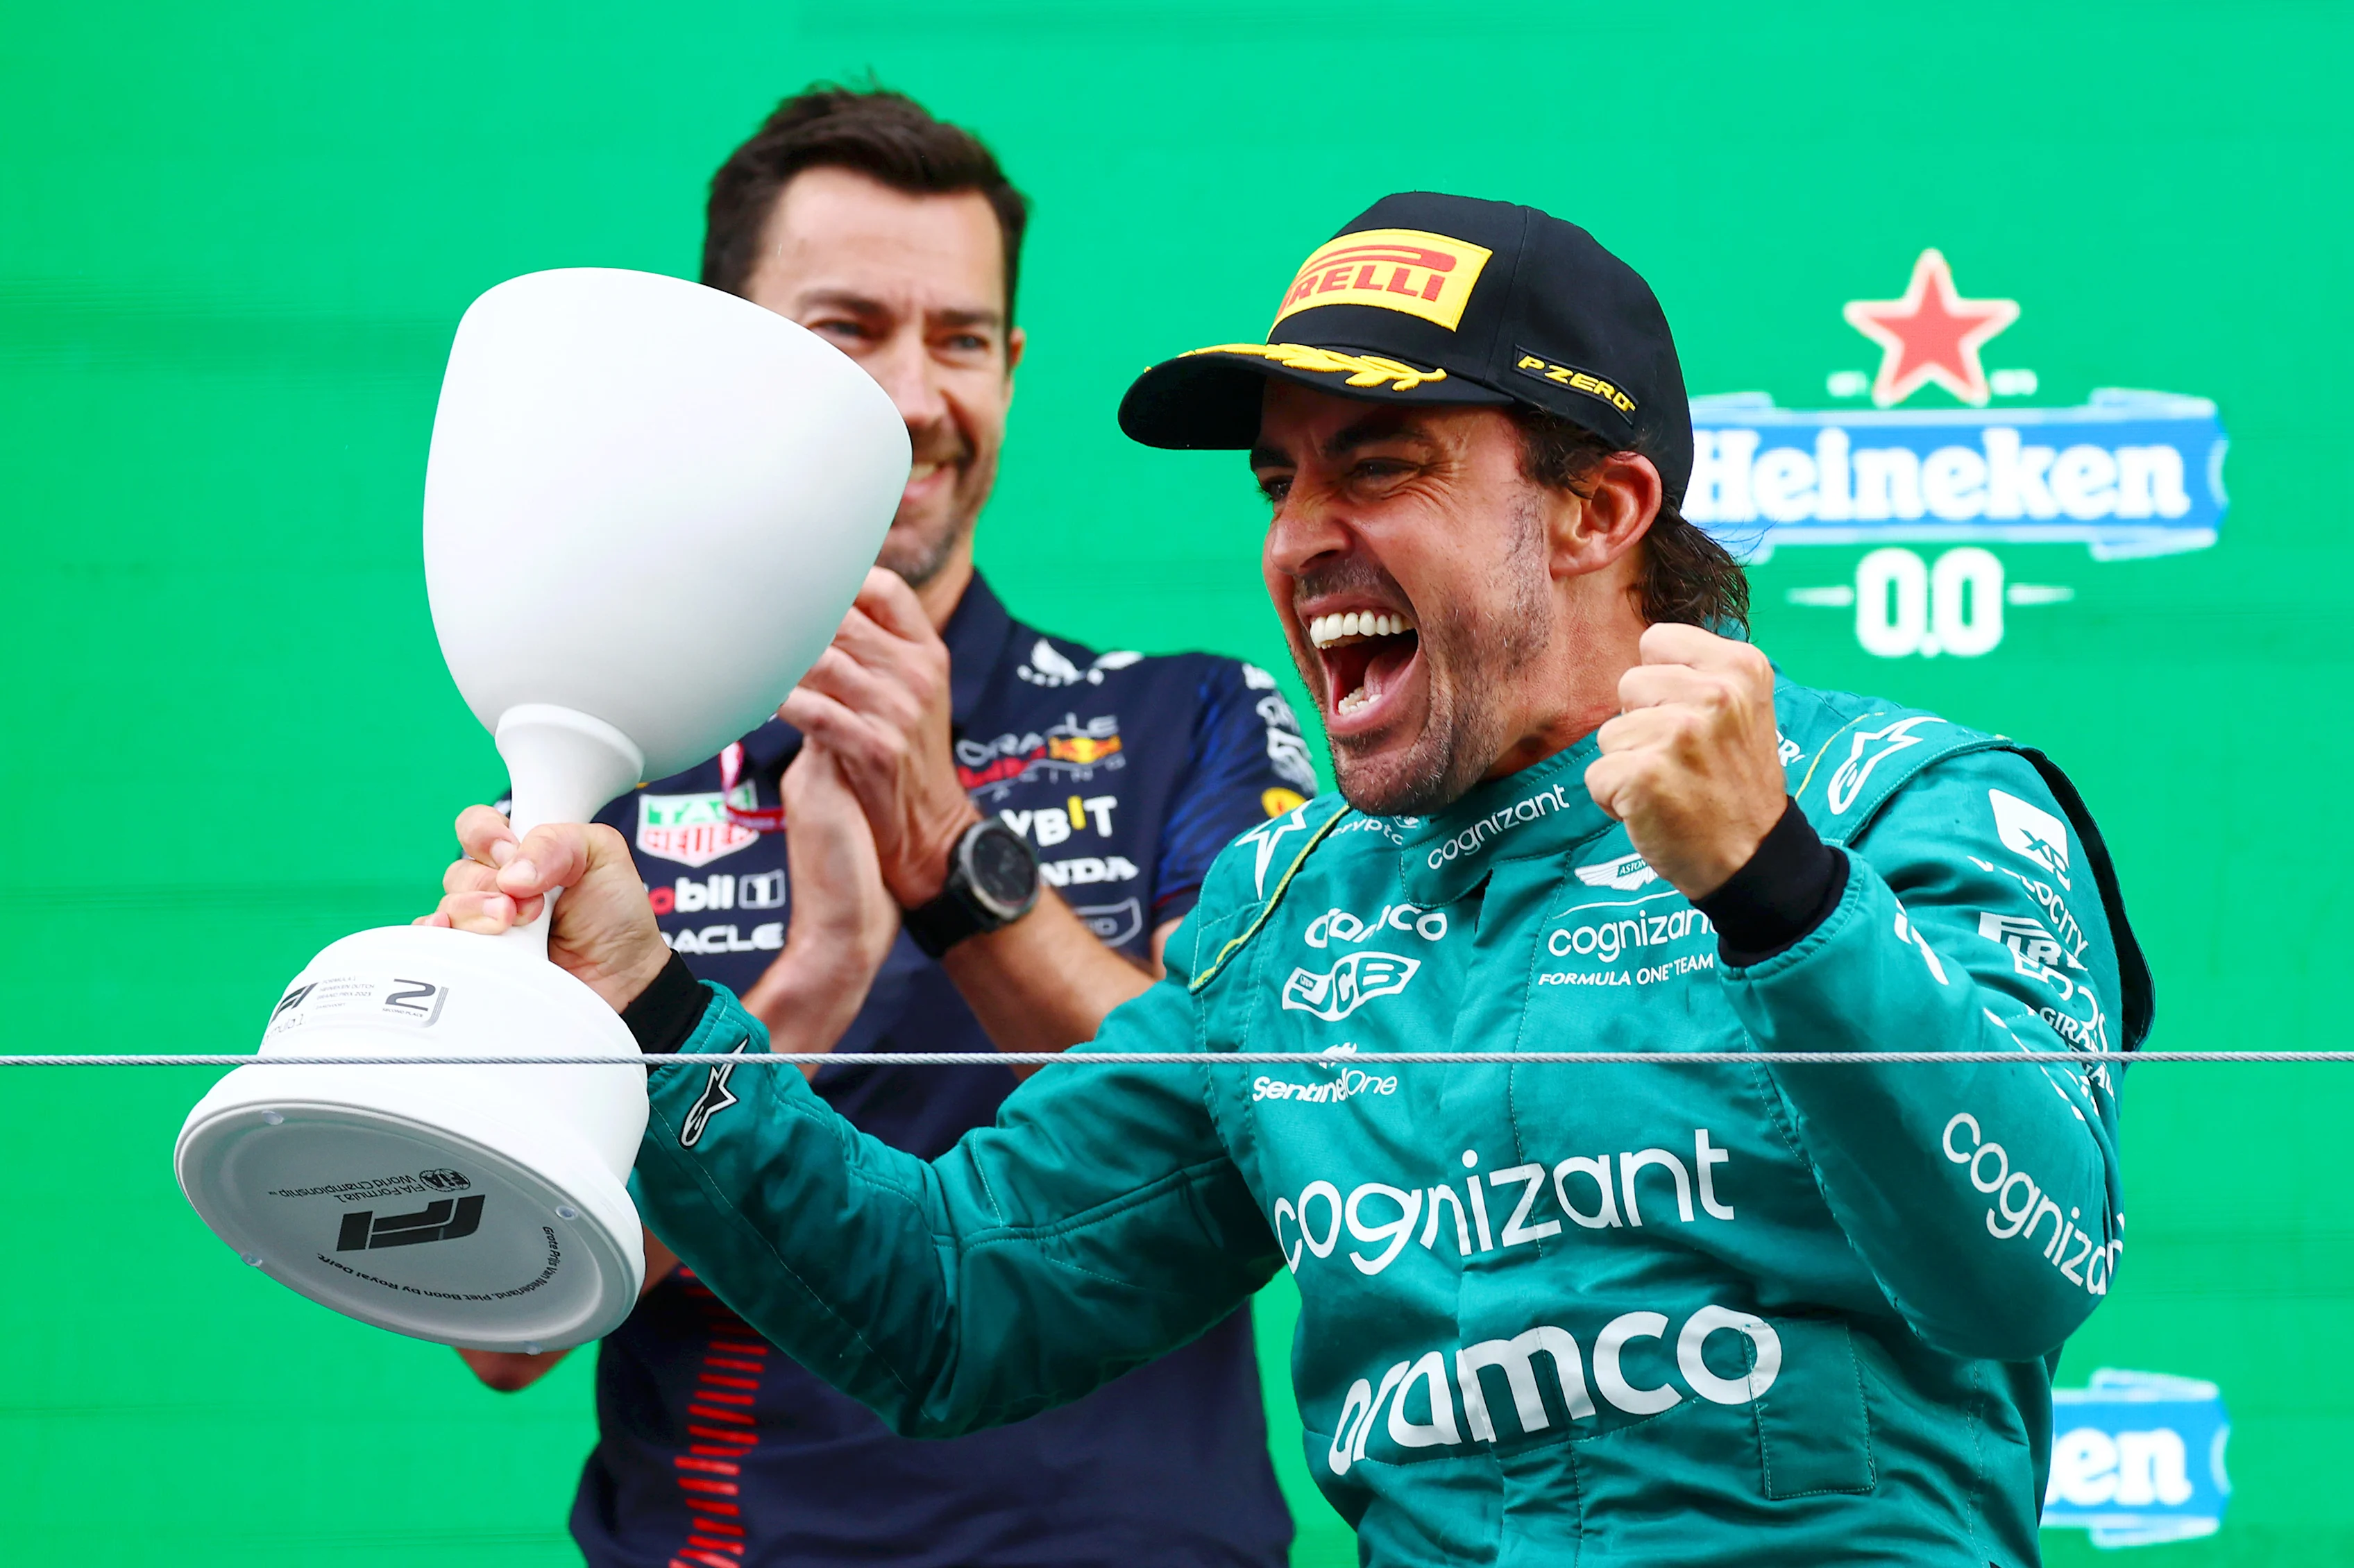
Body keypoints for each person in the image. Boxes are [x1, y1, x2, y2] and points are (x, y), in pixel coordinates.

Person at [430, 192, 2153, 1566]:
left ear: (1600, 508)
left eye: (1378, 466)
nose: (1297, 536)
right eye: (1279, 478)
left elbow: (2029, 1258)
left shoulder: (1901, 802)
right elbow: (952, 1304)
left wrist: (1774, 887)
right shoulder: (1293, 915)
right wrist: (651, 999)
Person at [448, 87, 1301, 1568]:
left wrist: (948, 855)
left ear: (1011, 369)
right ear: (728, 359)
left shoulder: (1194, 716)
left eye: (960, 340)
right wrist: (813, 984)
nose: (914, 398)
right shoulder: (606, 760)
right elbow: (502, 1321)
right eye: (847, 331)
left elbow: (1265, 1133)